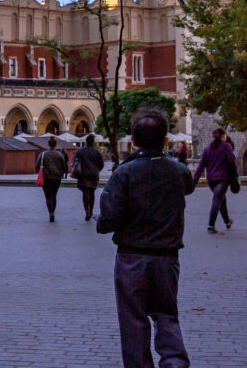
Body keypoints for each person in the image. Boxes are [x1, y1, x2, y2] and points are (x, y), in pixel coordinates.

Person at [98, 108, 194, 368]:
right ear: (165, 140)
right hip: (167, 256)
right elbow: (188, 188)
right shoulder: (179, 171)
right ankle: (174, 361)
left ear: (133, 140)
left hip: (132, 256)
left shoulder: (123, 173)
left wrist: (104, 223)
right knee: (166, 313)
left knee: (133, 318)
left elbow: (108, 218)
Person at [192, 129, 237, 233]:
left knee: (221, 199)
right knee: (217, 200)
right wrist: (235, 177)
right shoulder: (226, 147)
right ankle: (211, 225)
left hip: (211, 180)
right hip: (223, 178)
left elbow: (201, 166)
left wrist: (195, 180)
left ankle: (227, 221)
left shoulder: (207, 149)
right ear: (223, 136)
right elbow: (232, 162)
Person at [73, 134, 105, 221]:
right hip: (94, 175)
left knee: (85, 192)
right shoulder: (97, 152)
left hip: (83, 174)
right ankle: (91, 211)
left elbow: (75, 162)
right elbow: (102, 164)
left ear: (86, 141)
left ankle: (87, 211)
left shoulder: (80, 151)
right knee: (92, 192)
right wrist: (96, 170)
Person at [35, 137, 67, 222]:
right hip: (57, 178)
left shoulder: (43, 154)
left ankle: (50, 213)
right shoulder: (60, 155)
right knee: (54, 195)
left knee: (48, 196)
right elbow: (64, 167)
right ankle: (53, 212)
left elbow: (37, 166)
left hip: (46, 178)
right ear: (55, 145)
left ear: (48, 144)